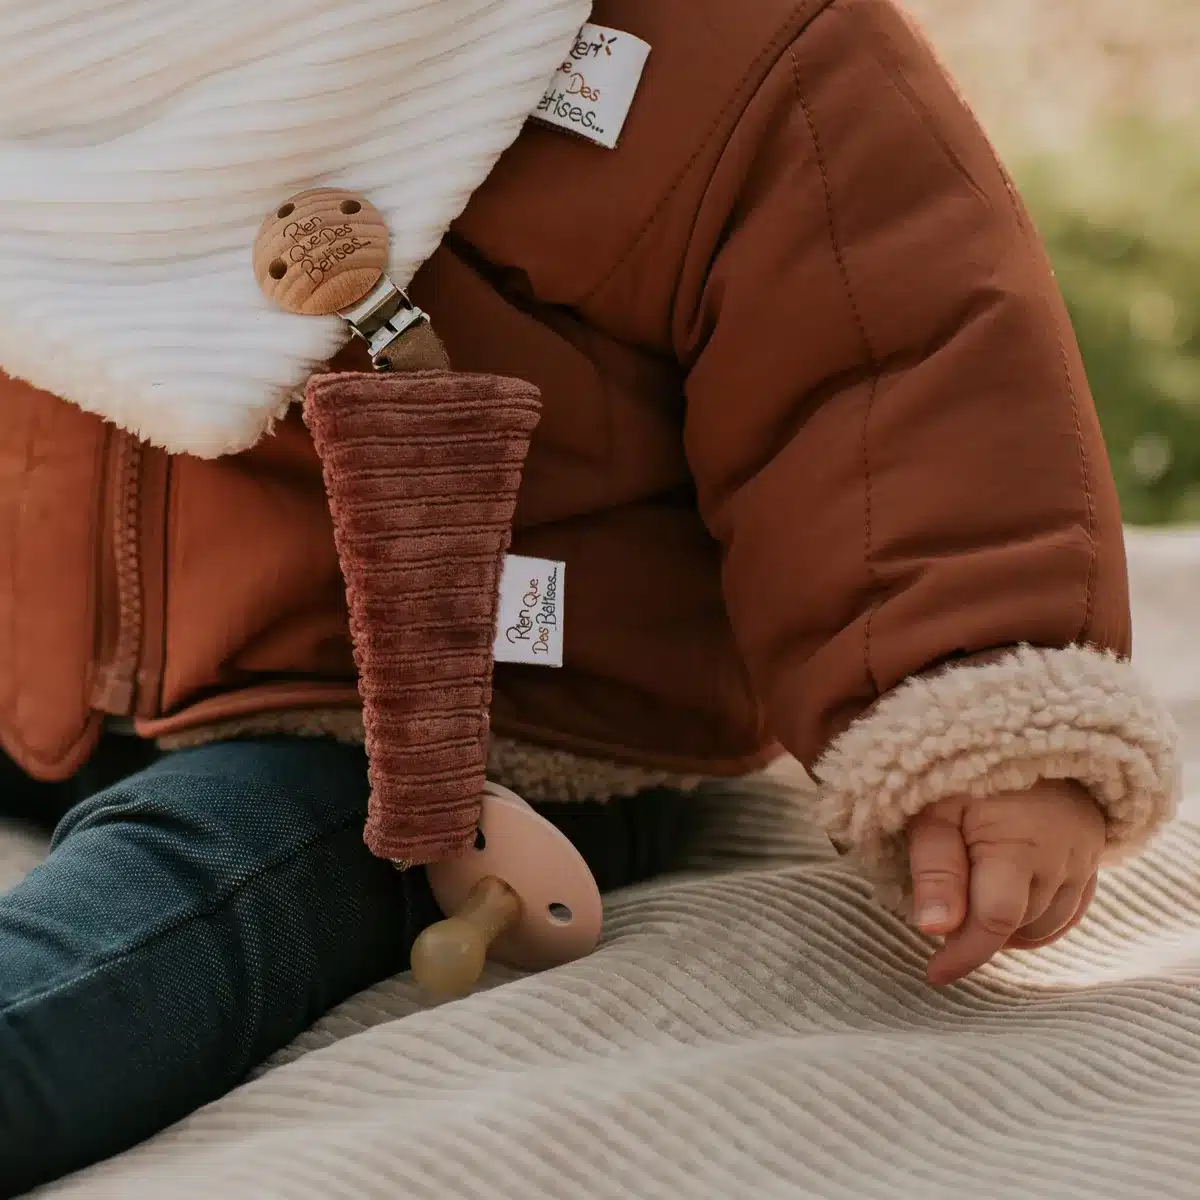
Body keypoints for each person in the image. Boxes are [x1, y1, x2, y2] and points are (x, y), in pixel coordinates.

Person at [0, 0, 1177, 1190]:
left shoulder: (724, 54)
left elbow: (894, 365)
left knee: (186, 899)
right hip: (46, 662)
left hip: (436, 721)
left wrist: (977, 702)